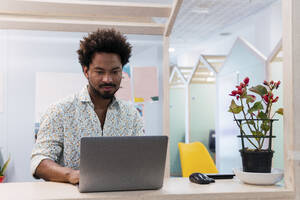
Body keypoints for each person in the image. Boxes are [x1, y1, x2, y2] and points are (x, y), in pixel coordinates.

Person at [31, 29, 144, 184]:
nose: (107, 79)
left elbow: (141, 159)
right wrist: (70, 175)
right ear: (86, 71)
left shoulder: (131, 115)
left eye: (115, 71)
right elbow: (39, 161)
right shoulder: (60, 110)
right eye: (99, 72)